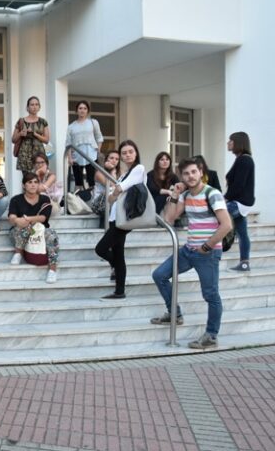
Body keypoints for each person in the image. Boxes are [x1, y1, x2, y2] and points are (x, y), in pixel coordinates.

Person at [152, 157, 232, 349]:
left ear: (201, 171)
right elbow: (169, 219)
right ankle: (175, 314)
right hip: (188, 251)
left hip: (208, 253)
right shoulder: (186, 195)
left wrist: (206, 246)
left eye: (194, 172)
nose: (190, 176)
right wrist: (174, 193)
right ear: (181, 176)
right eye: (186, 173)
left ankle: (211, 335)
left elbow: (227, 225)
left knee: (211, 295)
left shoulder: (212, 194)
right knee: (160, 275)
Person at [94, 140, 145, 299]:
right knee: (118, 253)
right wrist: (115, 193)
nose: (127, 155)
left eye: (130, 151)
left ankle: (116, 268)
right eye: (124, 153)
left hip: (125, 219)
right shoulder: (124, 173)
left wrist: (116, 192)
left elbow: (120, 189)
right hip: (115, 217)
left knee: (100, 249)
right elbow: (110, 198)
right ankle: (119, 290)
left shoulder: (139, 168)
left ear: (136, 153)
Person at [8, 172, 60, 283]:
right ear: (23, 185)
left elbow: (43, 218)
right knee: (25, 228)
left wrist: (28, 219)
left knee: (52, 235)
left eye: (36, 182)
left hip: (40, 231)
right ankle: (18, 253)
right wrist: (17, 220)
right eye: (29, 182)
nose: (33, 185)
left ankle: (52, 270)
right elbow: (11, 217)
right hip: (20, 232)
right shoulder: (16, 199)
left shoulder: (45, 199)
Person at [224, 131, 255, 272]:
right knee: (242, 234)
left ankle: (207, 254)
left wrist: (225, 198)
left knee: (212, 219)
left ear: (238, 142)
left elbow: (239, 185)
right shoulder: (243, 159)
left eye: (230, 140)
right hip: (242, 203)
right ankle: (244, 263)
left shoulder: (244, 160)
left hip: (238, 202)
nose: (228, 143)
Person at [65, 100, 103, 190]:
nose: (82, 110)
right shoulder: (71, 126)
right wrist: (70, 158)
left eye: (85, 108)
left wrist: (99, 150)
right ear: (76, 110)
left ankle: (93, 200)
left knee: (92, 180)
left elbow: (99, 137)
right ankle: (78, 200)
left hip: (92, 154)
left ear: (88, 111)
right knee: (78, 182)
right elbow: (68, 143)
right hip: (77, 155)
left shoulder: (93, 122)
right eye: (80, 108)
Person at [11, 96, 50, 173]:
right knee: (27, 179)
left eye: (36, 104)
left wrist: (36, 134)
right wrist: (20, 134)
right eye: (32, 105)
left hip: (39, 153)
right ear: (27, 107)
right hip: (24, 154)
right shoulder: (21, 121)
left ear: (39, 107)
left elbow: (46, 140)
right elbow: (13, 139)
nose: (34, 107)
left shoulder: (43, 121)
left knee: (39, 177)